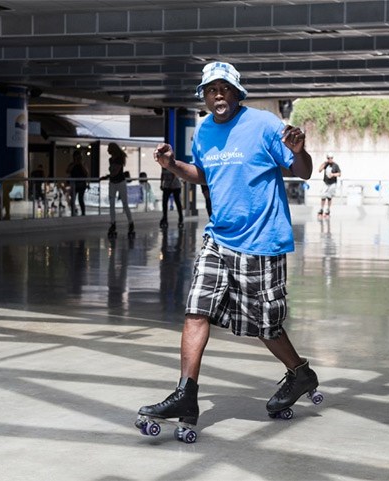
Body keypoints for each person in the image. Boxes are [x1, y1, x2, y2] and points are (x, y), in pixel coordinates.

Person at [136, 61, 321, 436]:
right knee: (195, 310)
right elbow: (203, 174)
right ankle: (186, 393)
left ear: (237, 92)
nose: (218, 95)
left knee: (265, 327)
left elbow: (303, 171)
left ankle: (300, 373)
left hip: (263, 239)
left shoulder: (265, 124)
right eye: (210, 90)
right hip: (219, 237)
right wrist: (173, 166)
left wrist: (300, 151)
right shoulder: (203, 132)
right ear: (204, 97)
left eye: (224, 88)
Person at [102, 142, 134, 237]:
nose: (107, 150)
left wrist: (107, 176)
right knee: (112, 204)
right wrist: (108, 176)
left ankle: (131, 222)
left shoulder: (119, 159)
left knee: (125, 204)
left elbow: (115, 172)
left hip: (120, 182)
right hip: (113, 183)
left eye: (109, 148)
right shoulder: (110, 160)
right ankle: (113, 223)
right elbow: (113, 172)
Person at [317, 153, 341, 218]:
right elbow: (319, 170)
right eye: (328, 158)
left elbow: (339, 174)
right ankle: (321, 209)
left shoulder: (335, 165)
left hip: (332, 183)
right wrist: (324, 163)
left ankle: (328, 209)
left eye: (331, 158)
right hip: (325, 182)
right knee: (323, 196)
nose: (330, 159)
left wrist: (333, 175)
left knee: (329, 196)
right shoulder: (326, 164)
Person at [67, 150, 88, 216]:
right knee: (73, 199)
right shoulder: (72, 164)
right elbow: (68, 171)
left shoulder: (83, 164)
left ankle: (83, 213)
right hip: (74, 184)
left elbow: (86, 173)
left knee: (80, 199)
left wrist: (81, 164)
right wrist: (74, 163)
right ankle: (73, 212)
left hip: (82, 184)